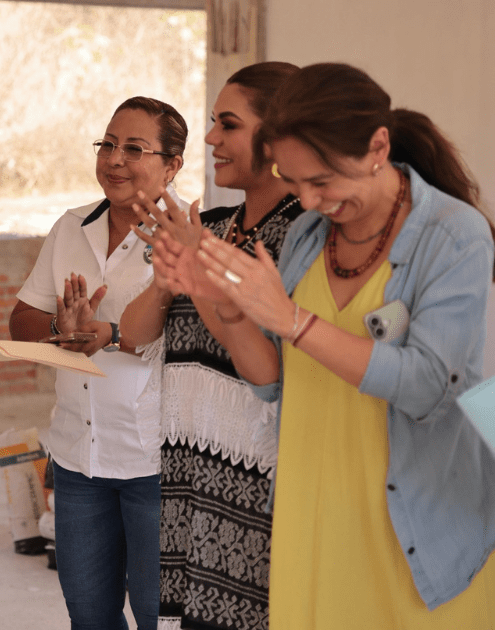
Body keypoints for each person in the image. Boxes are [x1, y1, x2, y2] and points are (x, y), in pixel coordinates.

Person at [183, 63, 495, 628]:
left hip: (408, 529)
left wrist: (293, 320)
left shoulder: (455, 234)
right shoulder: (309, 235)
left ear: (378, 147)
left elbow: (429, 387)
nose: (307, 201)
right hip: (310, 512)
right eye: (293, 180)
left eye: (322, 181)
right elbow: (275, 382)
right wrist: (224, 304)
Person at [120, 62, 300, 630]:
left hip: (255, 475)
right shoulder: (211, 225)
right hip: (189, 462)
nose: (211, 137)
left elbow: (269, 372)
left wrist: (196, 267)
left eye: (229, 124)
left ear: (279, 133)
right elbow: (135, 336)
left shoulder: (301, 237)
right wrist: (169, 274)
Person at [9, 96, 188, 630]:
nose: (114, 160)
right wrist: (59, 328)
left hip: (155, 461)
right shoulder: (72, 226)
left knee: (160, 616)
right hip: (77, 458)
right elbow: (22, 320)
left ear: (172, 165)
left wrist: (108, 335)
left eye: (134, 148)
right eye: (107, 144)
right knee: (88, 614)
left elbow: (195, 341)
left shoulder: (191, 235)